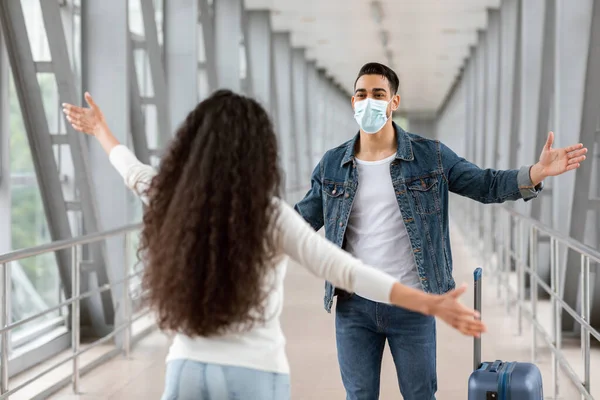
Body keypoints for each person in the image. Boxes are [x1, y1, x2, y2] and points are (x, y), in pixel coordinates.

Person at [62, 89, 485, 400]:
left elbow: (133, 172)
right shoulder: (268, 215)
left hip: (186, 369)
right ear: (258, 153)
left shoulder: (175, 197)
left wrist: (101, 130)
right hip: (255, 374)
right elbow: (344, 269)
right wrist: (426, 303)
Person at [294, 62, 588, 400]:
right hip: (353, 304)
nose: (369, 102)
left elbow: (484, 184)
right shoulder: (332, 164)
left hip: (414, 302)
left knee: (420, 394)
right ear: (353, 102)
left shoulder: (429, 156)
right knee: (358, 395)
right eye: (362, 94)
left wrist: (535, 173)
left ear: (395, 102)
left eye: (378, 94)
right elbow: (301, 220)